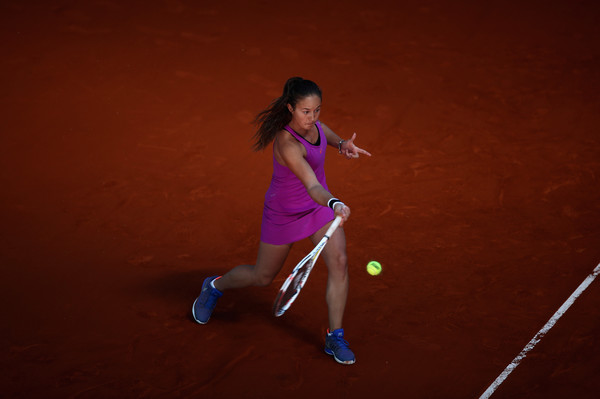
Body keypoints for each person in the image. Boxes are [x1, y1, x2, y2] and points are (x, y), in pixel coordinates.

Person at [192, 77, 371, 365]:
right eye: (305, 111)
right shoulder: (287, 143)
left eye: (316, 110)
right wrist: (334, 202)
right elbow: (313, 186)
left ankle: (334, 336)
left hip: (317, 209)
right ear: (290, 108)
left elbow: (328, 136)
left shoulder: (318, 128)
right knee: (262, 277)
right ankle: (213, 287)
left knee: (339, 262)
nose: (312, 118)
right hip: (287, 212)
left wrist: (343, 144)